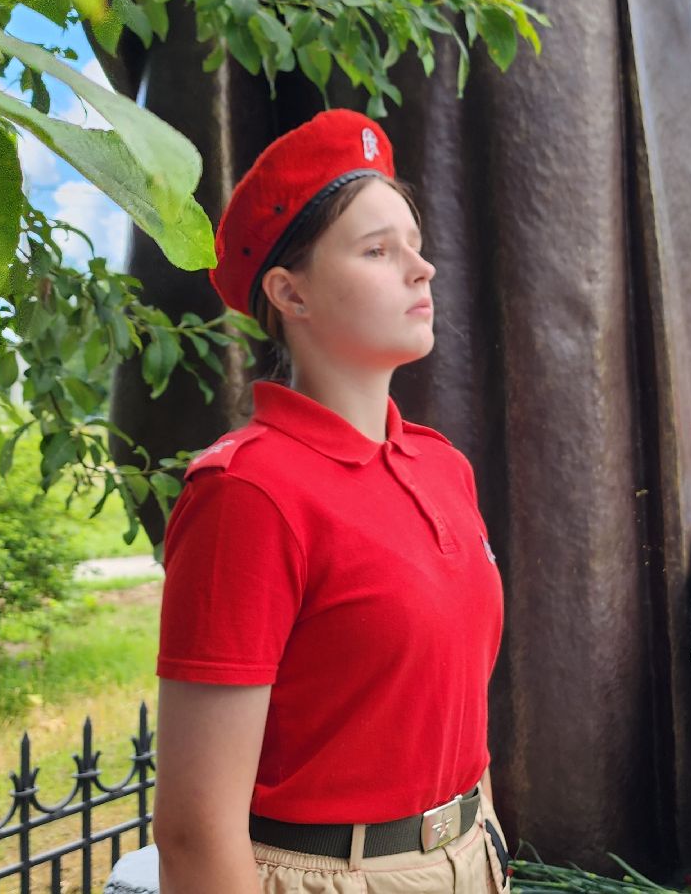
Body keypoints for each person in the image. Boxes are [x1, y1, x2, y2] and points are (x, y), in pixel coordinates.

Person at [151, 110, 509, 894]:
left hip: (471, 853)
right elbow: (192, 832)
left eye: (414, 245)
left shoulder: (442, 466)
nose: (422, 270)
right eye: (378, 250)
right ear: (290, 291)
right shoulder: (247, 493)